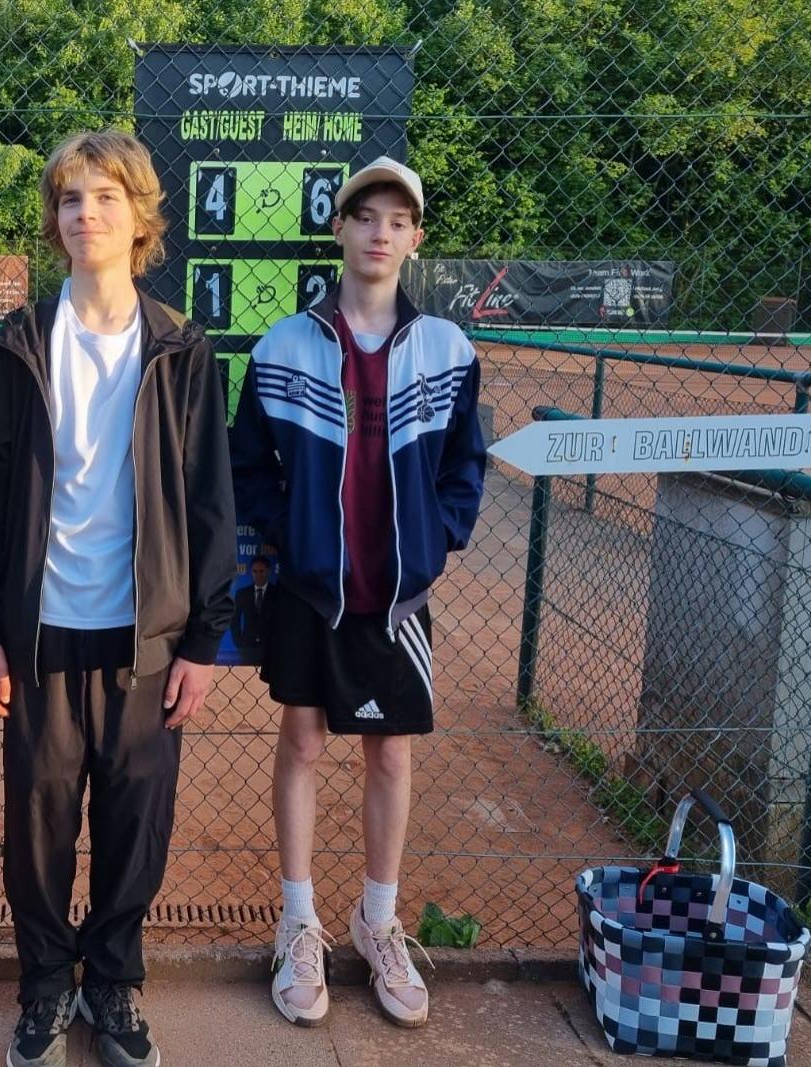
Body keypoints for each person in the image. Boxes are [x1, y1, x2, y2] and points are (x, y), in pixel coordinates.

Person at [0, 130, 235, 1067]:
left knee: (134, 819)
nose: (87, 214)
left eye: (106, 197)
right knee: (36, 820)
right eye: (71, 199)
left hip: (145, 635)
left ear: (139, 217)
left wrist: (204, 638)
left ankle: (112, 980)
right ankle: (44, 984)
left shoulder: (181, 347)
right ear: (56, 219)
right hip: (40, 630)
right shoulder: (18, 344)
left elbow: (208, 499)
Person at [231, 156, 487, 1029]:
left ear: (416, 239)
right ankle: (298, 920)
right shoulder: (283, 345)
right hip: (311, 591)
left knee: (391, 755)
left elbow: (465, 466)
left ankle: (377, 921)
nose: (381, 232)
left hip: (397, 599)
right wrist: (294, 536)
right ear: (338, 228)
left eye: (398, 220)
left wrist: (437, 539)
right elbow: (248, 464)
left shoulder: (448, 349)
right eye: (366, 216)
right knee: (302, 741)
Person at [229, 555, 277, 665]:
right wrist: (239, 643)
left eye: (261, 571)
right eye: (255, 571)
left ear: (268, 571)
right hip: (247, 648)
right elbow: (234, 619)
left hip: (271, 648)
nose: (258, 575)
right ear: (251, 572)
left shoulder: (277, 593)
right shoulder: (242, 593)